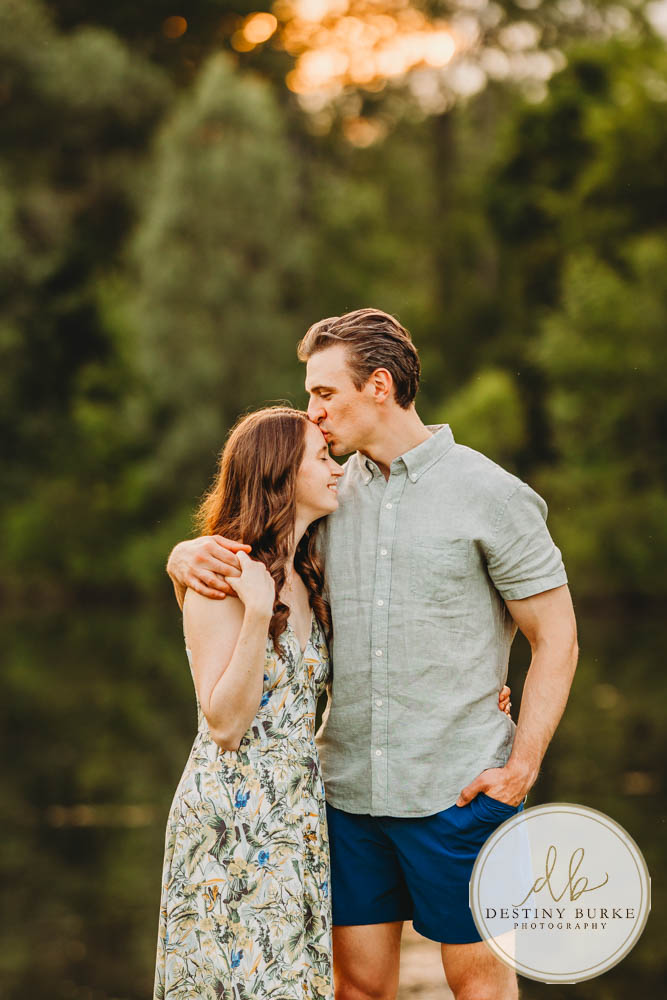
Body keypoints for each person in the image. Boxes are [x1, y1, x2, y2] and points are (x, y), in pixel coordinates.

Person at [167, 308, 579, 1000]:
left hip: (458, 788)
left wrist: (523, 765)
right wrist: (182, 557)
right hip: (345, 795)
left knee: (478, 979)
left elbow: (556, 638)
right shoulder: (325, 493)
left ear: (379, 385)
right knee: (357, 984)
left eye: (324, 393)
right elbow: (255, 552)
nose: (313, 412)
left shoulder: (493, 497)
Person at [154, 406, 343, 1000]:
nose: (337, 469)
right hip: (231, 823)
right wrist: (258, 613)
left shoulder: (311, 571)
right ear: (282, 476)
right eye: (322, 457)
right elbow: (225, 723)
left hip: (298, 816)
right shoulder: (221, 576)